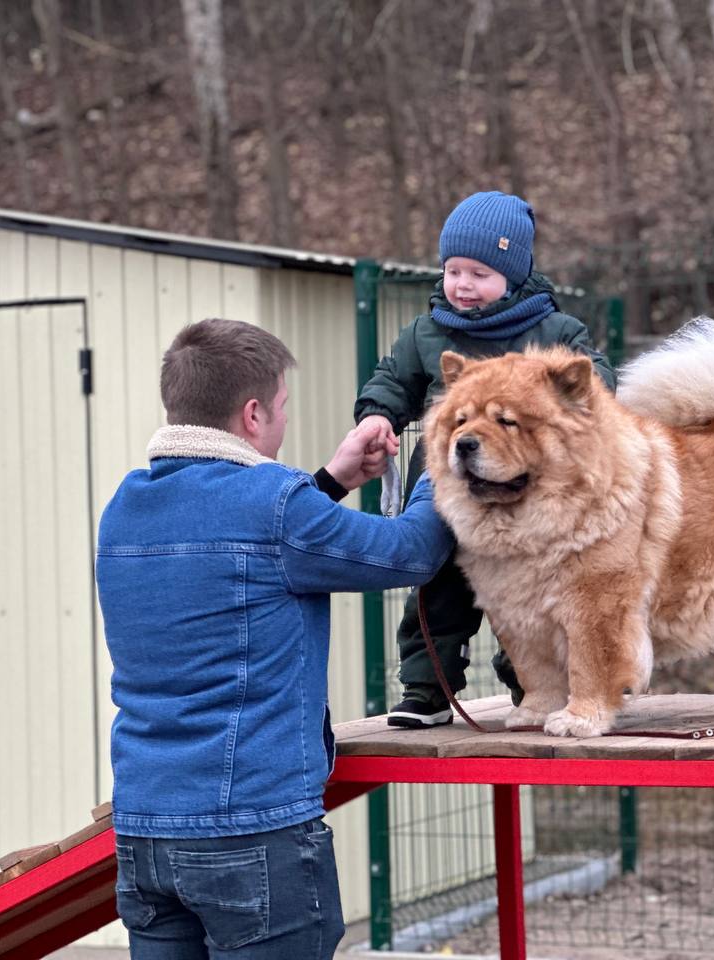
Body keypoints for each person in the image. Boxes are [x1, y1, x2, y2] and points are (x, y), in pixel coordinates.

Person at [96, 318, 453, 959]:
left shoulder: (126, 506)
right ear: (253, 413)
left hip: (146, 835)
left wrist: (334, 481)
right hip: (252, 834)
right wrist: (442, 458)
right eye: (283, 407)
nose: (283, 422)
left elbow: (246, 546)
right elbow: (409, 553)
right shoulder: (273, 503)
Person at [354, 190, 617, 728]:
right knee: (437, 588)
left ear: (514, 276)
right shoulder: (428, 332)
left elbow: (595, 384)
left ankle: (531, 686)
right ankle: (427, 690)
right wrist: (377, 415)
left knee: (525, 596)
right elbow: (391, 379)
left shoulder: (555, 332)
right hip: (449, 489)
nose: (462, 285)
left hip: (526, 498)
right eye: (452, 270)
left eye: (479, 272)